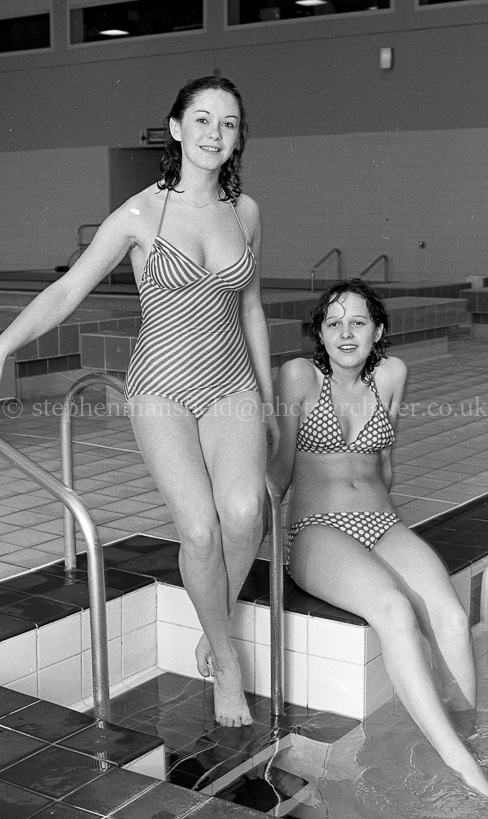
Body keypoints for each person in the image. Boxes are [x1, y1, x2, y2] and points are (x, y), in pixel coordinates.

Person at [0, 75, 279, 728]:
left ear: (239, 137)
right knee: (202, 527)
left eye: (229, 123)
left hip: (231, 382)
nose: (215, 133)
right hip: (162, 387)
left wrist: (265, 401)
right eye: (203, 120)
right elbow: (69, 292)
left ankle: (213, 630)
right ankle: (227, 658)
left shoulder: (246, 213)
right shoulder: (139, 214)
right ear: (176, 128)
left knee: (245, 515)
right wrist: (4, 342)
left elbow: (255, 310)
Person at [268, 277, 488, 797]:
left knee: (452, 615)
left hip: (382, 523)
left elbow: (384, 464)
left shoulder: (392, 374)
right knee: (393, 609)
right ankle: (462, 767)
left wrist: (394, 540)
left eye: (358, 322)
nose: (346, 333)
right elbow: (278, 469)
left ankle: (466, 733)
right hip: (317, 529)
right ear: (319, 333)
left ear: (378, 330)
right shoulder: (298, 375)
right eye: (333, 322)